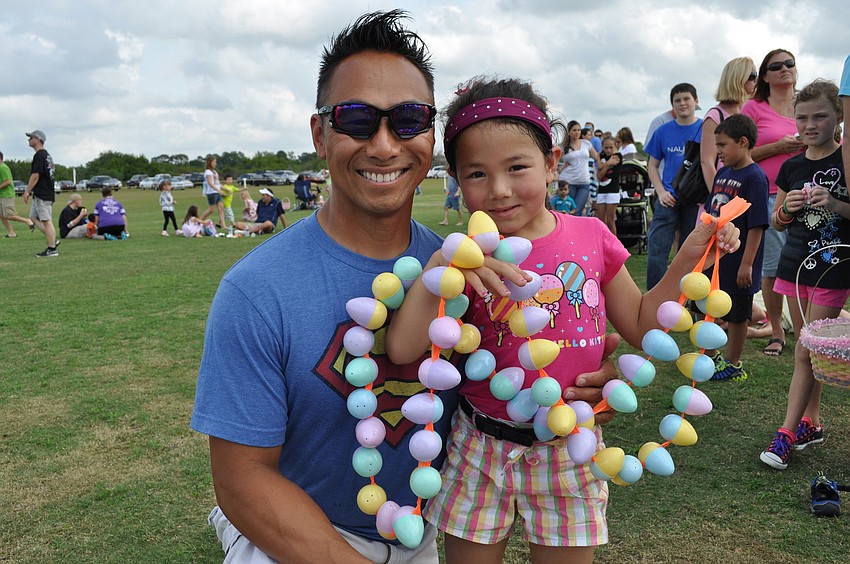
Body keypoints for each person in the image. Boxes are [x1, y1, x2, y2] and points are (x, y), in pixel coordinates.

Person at [190, 10, 619, 564]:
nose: (386, 145)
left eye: (410, 119)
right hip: (299, 543)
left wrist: (579, 382)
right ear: (320, 134)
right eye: (357, 119)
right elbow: (244, 480)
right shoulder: (256, 290)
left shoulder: (476, 264)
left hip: (420, 534)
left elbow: (530, 357)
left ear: (432, 139)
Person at [386, 76, 740, 564]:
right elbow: (404, 350)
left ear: (552, 163)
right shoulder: (462, 260)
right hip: (479, 447)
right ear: (455, 179)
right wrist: (445, 265)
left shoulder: (591, 235)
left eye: (517, 167)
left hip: (571, 449)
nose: (500, 190)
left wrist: (687, 257)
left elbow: (640, 323)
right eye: (476, 175)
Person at [759, 80, 848, 471]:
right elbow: (777, 223)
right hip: (793, 268)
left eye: (820, 116)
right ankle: (811, 422)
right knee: (806, 349)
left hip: (833, 269)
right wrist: (788, 208)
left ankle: (786, 434)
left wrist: (836, 202)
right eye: (802, 117)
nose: (810, 125)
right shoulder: (792, 165)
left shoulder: (846, 161)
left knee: (804, 351)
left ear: (839, 117)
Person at [741, 49, 806, 357]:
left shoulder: (808, 104)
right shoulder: (753, 108)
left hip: (811, 193)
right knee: (774, 267)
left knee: (808, 262)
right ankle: (777, 330)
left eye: (789, 64)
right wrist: (779, 146)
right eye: (776, 66)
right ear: (764, 76)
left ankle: (810, 328)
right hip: (768, 195)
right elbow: (740, 156)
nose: (784, 69)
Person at [701, 114, 769, 381]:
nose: (718, 151)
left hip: (740, 258)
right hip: (716, 256)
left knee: (739, 312)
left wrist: (747, 263)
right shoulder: (722, 172)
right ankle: (711, 355)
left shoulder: (755, 177)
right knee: (710, 305)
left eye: (723, 145)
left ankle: (733, 362)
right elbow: (711, 212)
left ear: (743, 142)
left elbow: (757, 225)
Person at [644, 83, 704, 290]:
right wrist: (660, 192)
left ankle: (687, 295)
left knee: (691, 252)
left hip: (695, 200)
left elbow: (713, 163)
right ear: (672, 105)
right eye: (677, 100)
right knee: (657, 251)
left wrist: (706, 195)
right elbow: (652, 165)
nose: (682, 103)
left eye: (686, 98)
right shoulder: (662, 131)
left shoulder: (706, 129)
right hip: (668, 198)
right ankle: (654, 296)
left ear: (696, 101)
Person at [700, 57, 758, 192]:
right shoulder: (715, 115)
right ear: (738, 79)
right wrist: (717, 196)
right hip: (724, 194)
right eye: (752, 76)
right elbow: (707, 162)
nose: (756, 80)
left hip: (745, 188)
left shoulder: (749, 111)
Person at [22, 130, 57, 257]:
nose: (29, 140)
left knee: (47, 220)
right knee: (33, 216)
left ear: (38, 139)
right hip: (43, 193)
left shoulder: (39, 155)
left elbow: (35, 175)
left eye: (30, 137)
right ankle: (52, 239)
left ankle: (52, 248)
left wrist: (27, 191)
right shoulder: (47, 155)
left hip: (43, 193)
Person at [559, 120, 600, 216]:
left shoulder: (586, 143)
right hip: (569, 181)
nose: (577, 132)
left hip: (584, 181)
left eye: (578, 130)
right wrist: (559, 168)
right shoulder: (564, 146)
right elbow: (553, 158)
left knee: (578, 209)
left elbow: (597, 157)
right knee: (568, 210)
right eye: (574, 130)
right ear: (568, 132)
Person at [1, 150, 36, 238]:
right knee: (1, 215)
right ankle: (11, 232)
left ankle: (28, 221)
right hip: (2, 195)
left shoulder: (2, 167)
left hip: (7, 195)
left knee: (9, 215)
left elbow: (7, 182)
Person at [596, 137, 622, 233]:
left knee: (611, 220)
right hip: (602, 190)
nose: (608, 150)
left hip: (612, 190)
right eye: (606, 148)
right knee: (601, 221)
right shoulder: (603, 157)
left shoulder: (617, 156)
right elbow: (599, 175)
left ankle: (614, 244)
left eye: (611, 147)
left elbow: (601, 167)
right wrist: (607, 164)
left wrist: (602, 164)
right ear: (602, 147)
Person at [200, 155, 226, 229]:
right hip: (212, 193)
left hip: (217, 192)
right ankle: (199, 221)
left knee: (221, 208)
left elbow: (217, 183)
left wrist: (225, 189)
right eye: (214, 162)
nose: (215, 163)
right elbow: (210, 183)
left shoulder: (214, 172)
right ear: (209, 162)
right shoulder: (207, 172)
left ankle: (223, 225)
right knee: (211, 210)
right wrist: (218, 190)